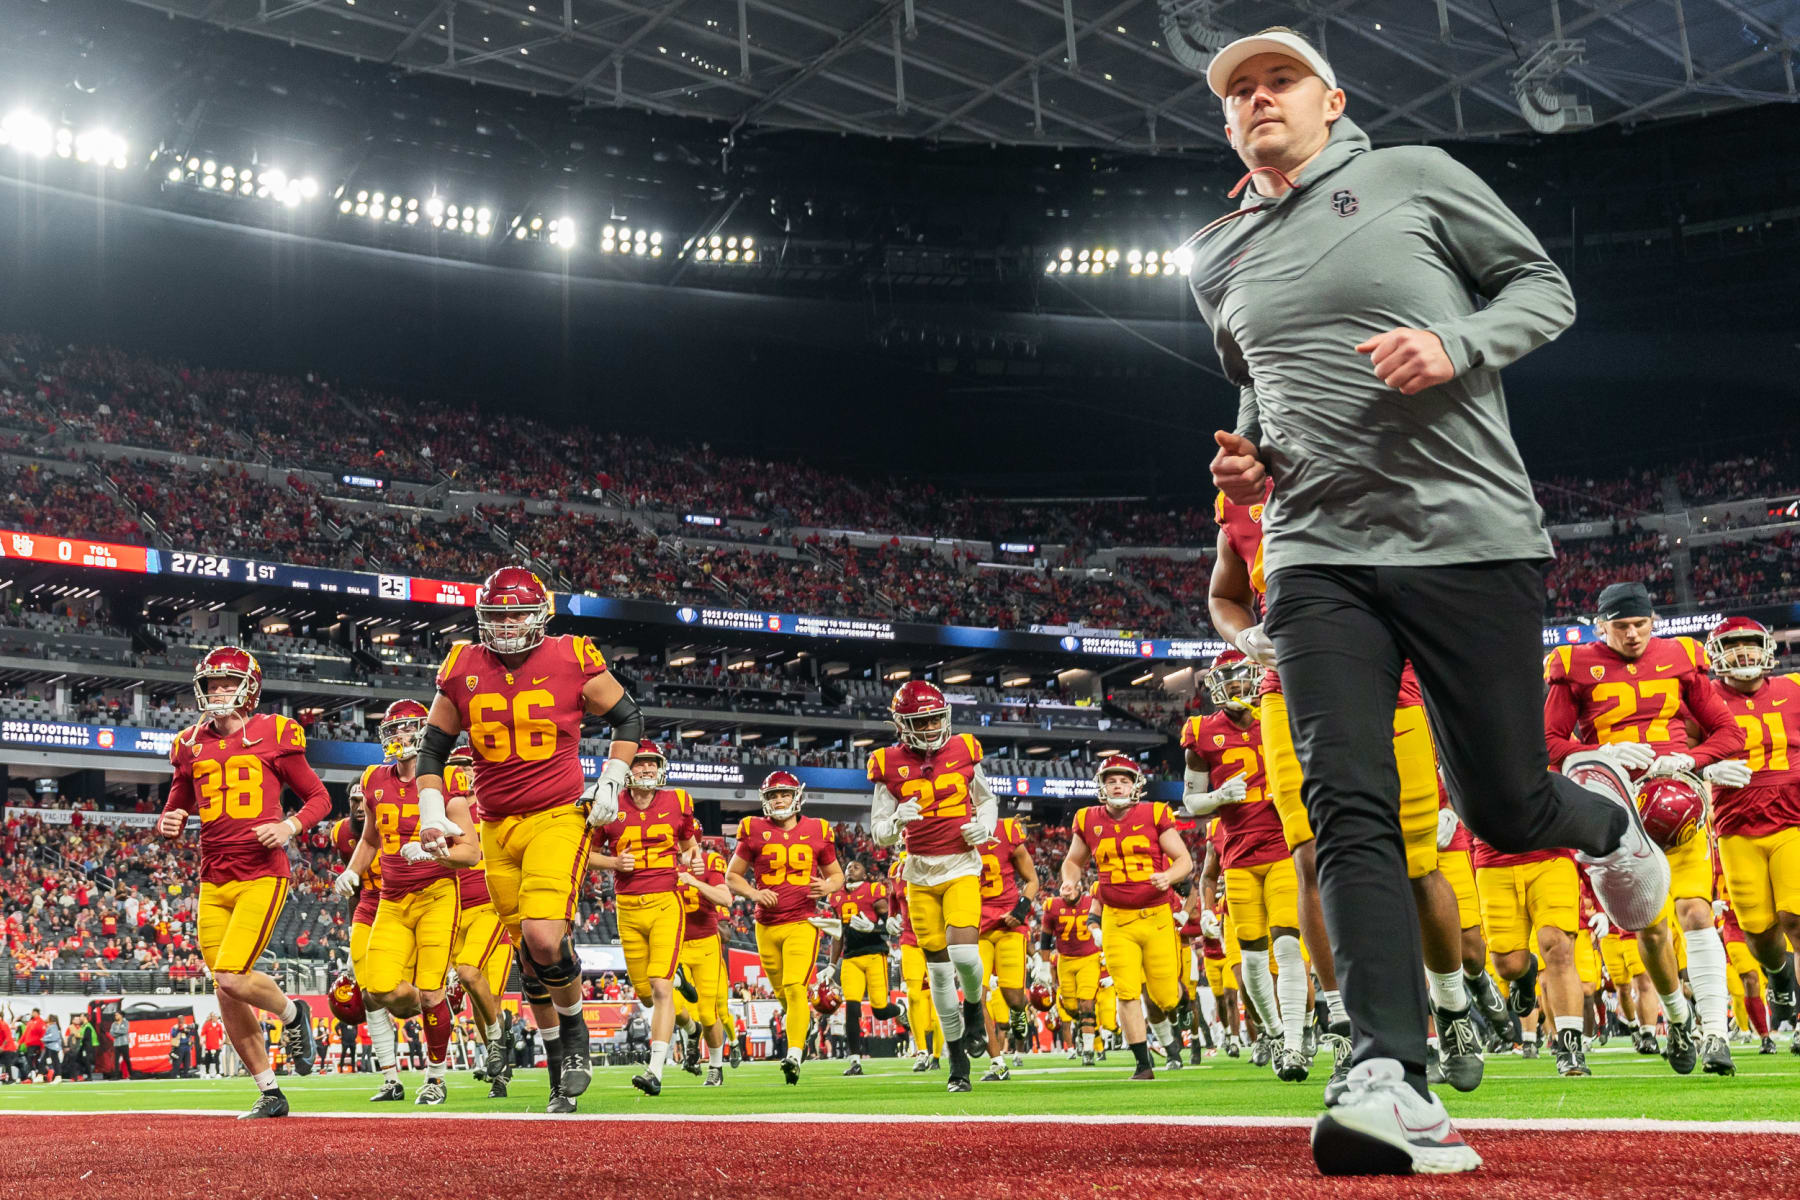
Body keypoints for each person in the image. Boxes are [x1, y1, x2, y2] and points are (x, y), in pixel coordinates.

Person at [1189, 26, 1671, 1175]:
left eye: (1280, 82)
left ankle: (1600, 817)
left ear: (1331, 100)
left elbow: (1543, 291)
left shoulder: (1411, 176)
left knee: (1501, 806)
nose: (1260, 100)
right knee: (1344, 803)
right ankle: (1386, 1073)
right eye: (1239, 92)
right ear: (1226, 123)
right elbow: (1261, 388)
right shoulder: (1215, 256)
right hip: (1314, 560)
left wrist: (1456, 341)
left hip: (1467, 536)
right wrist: (1250, 464)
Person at [413, 566, 643, 1115]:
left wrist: (612, 778)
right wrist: (430, 810)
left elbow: (628, 718)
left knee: (544, 937)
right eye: (498, 615)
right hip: (495, 825)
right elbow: (432, 751)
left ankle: (575, 1028)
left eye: (518, 613)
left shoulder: (571, 656)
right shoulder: (463, 664)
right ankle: (557, 1066)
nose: (509, 624)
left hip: (557, 816)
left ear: (540, 615)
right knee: (528, 954)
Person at [1544, 581, 1746, 1076]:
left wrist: (1691, 760)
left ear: (1653, 620)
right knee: (1652, 931)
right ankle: (1678, 1020)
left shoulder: (1680, 656)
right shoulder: (1574, 665)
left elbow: (1729, 731)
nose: (1632, 635)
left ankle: (1716, 1032)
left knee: (1697, 912)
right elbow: (1547, 741)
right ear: (1601, 626)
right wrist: (1598, 754)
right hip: (1615, 809)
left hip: (1676, 797)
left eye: (1640, 624)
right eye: (1621, 626)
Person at [158, 646, 329, 1118]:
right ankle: (270, 1091)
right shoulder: (189, 742)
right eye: (212, 683)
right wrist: (170, 819)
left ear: (249, 687)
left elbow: (318, 797)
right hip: (212, 877)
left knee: (233, 976)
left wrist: (290, 827)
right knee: (223, 987)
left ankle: (295, 1014)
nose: (218, 691)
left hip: (261, 872)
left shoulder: (274, 732)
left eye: (227, 682)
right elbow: (179, 802)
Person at [341, 699, 479, 1106]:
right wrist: (352, 870)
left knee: (432, 992)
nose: (401, 737)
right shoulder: (373, 779)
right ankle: (430, 1009)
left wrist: (435, 854)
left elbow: (470, 853)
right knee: (380, 988)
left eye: (409, 729)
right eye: (394, 730)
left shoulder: (446, 779)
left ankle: (435, 1078)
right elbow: (369, 840)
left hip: (437, 895)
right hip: (390, 898)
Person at [868, 681, 998, 1092]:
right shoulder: (887, 763)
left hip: (961, 864)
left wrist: (986, 826)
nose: (930, 727)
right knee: (939, 976)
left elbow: (988, 798)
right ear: (902, 725)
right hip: (919, 873)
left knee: (963, 953)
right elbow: (877, 833)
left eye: (936, 718)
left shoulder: (964, 749)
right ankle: (957, 1063)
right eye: (921, 721)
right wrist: (897, 822)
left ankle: (975, 1007)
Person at [1061, 757, 1192, 1081]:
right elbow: (1073, 861)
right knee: (1127, 991)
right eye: (1111, 780)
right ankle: (1142, 1063)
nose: (1117, 785)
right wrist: (1069, 880)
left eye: (1124, 780)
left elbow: (1185, 860)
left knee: (1165, 997)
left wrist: (1168, 875)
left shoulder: (1154, 813)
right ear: (1101, 786)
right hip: (1116, 918)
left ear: (1136, 786)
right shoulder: (1087, 819)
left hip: (1155, 915)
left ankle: (1183, 1001)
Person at [1702, 616, 1800, 1042]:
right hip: (1737, 825)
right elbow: (1681, 751)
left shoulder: (1795, 688)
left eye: (1748, 643)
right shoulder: (1702, 699)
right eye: (1733, 644)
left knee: (1796, 917)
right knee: (1760, 933)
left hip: (1793, 817)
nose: (1743, 652)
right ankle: (1779, 976)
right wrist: (1704, 764)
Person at [587, 738, 701, 1096]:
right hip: (627, 906)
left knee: (660, 986)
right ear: (626, 768)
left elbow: (689, 845)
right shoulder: (609, 804)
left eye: (652, 762)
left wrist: (691, 858)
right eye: (639, 763)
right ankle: (691, 1027)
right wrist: (614, 863)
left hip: (666, 901)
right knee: (647, 994)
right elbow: (585, 854)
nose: (647, 769)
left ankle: (655, 1070)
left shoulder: (678, 800)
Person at [727, 771, 843, 1085]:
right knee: (782, 994)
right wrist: (753, 893)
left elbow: (837, 876)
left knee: (794, 988)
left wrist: (827, 885)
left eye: (784, 795)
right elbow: (732, 876)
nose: (779, 800)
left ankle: (793, 1054)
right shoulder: (753, 829)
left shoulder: (818, 829)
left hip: (803, 922)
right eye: (774, 796)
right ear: (766, 800)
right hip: (766, 925)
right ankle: (800, 1031)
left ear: (796, 797)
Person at [442, 745, 516, 1098]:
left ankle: (500, 1052)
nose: (465, 773)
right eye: (457, 766)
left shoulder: (495, 805)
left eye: (469, 766)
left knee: (473, 975)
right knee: (477, 1004)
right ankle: (500, 1066)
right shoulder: (441, 812)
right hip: (455, 912)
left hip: (491, 908)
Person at [330, 782, 405, 1101]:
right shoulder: (340, 833)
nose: (359, 806)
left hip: (401, 904)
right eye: (353, 800)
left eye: (364, 800)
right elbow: (353, 887)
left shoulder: (396, 821)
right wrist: (353, 931)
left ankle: (435, 1075)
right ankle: (391, 1078)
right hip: (368, 906)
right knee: (369, 994)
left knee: (419, 995)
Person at [818, 860, 906, 1077]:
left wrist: (873, 928)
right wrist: (831, 964)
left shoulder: (874, 890)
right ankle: (855, 1060)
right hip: (850, 958)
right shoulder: (836, 897)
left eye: (857, 866)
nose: (851, 868)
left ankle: (903, 1010)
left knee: (879, 1009)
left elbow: (890, 926)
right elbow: (838, 934)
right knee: (852, 1010)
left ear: (866, 873)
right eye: (848, 867)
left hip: (875, 954)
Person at [674, 841, 734, 1087]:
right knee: (675, 1009)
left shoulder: (710, 862)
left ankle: (716, 1066)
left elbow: (726, 898)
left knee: (710, 1013)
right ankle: (691, 1030)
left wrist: (696, 882)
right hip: (675, 944)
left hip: (705, 943)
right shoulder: (661, 861)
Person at [109, 1011, 132, 1080]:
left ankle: (131, 1074)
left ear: (121, 1015)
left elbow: (125, 1031)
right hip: (116, 1044)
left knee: (127, 1059)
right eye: (115, 1015)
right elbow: (111, 1033)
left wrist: (116, 1032)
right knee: (116, 1060)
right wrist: (118, 1032)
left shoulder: (126, 1022)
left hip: (124, 1043)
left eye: (117, 1015)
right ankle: (116, 1076)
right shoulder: (114, 1024)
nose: (116, 1016)